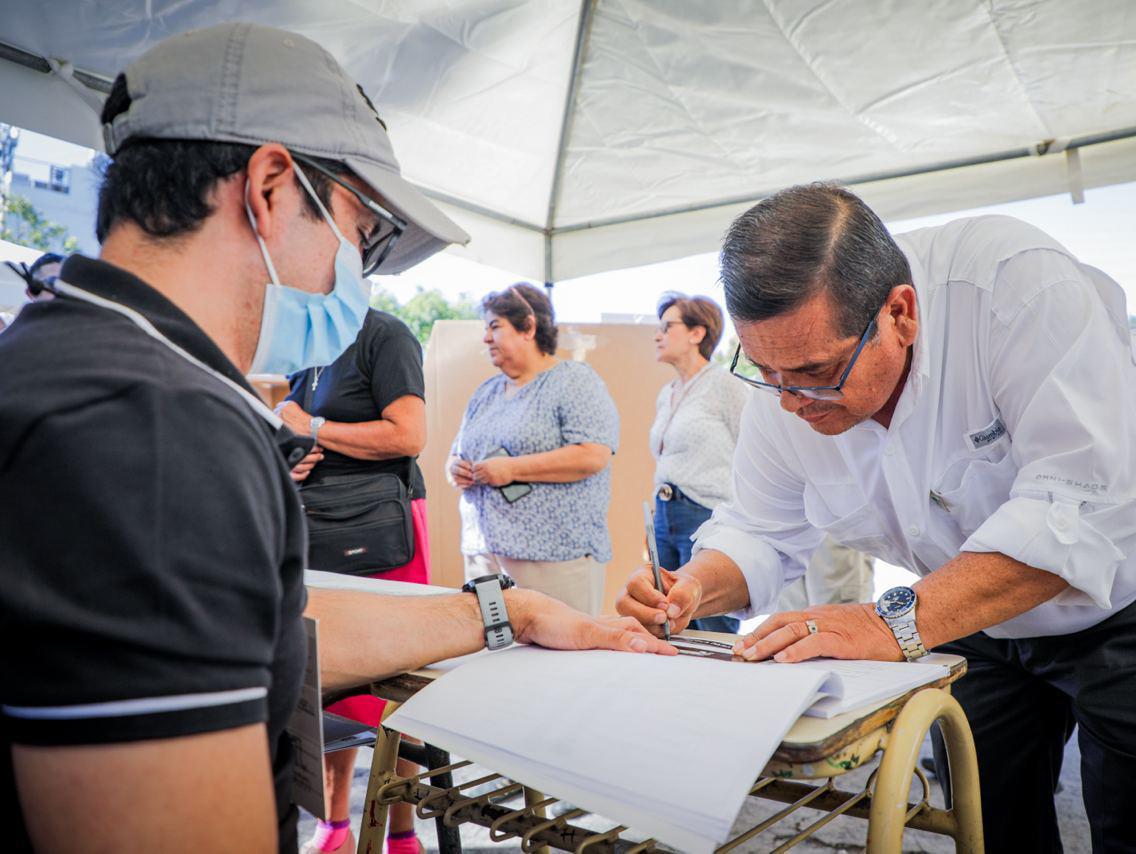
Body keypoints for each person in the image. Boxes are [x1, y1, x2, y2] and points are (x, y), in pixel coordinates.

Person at [0, 24, 674, 854]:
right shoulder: (155, 430)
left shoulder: (73, 364)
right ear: (272, 187)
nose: (355, 271)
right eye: (362, 234)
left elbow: (261, 619)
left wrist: (507, 611)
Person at [617, 184, 1136, 853]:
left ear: (901, 313)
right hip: (976, 591)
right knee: (985, 800)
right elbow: (758, 528)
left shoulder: (1014, 285)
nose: (790, 402)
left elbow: (1080, 504)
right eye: (766, 371)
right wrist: (695, 585)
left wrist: (886, 623)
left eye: (816, 372)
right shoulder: (788, 387)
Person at [278, 307, 432, 854]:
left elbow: (409, 435)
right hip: (319, 530)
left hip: (384, 535)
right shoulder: (305, 345)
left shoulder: (384, 336)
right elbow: (302, 431)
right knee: (329, 684)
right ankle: (335, 824)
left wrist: (315, 428)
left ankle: (403, 832)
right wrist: (291, 452)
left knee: (402, 685)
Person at [448, 284, 619, 615]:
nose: (485, 338)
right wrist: (455, 466)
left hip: (553, 558)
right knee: (491, 653)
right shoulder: (487, 392)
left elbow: (593, 454)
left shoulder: (574, 381)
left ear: (528, 327)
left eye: (495, 326)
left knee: (557, 660)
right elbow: (458, 450)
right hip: (484, 554)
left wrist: (512, 469)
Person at [650, 292, 749, 633]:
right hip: (665, 515)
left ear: (697, 333)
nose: (657, 335)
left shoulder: (725, 384)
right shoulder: (667, 391)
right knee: (668, 619)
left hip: (707, 514)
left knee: (712, 622)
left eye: (667, 326)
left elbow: (751, 451)